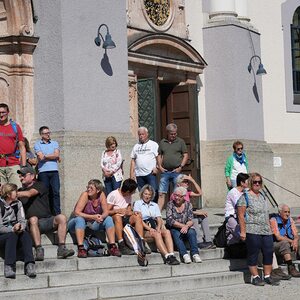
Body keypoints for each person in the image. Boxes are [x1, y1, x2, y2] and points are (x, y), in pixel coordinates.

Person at [17, 165, 74, 261]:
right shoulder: (20, 191)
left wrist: (13, 193)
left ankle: (62, 248)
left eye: (23, 175)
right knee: (33, 218)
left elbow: (30, 193)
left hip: (46, 220)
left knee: (62, 217)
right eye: (20, 176)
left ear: (32, 176)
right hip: (31, 224)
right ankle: (38, 249)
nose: (21, 177)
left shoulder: (40, 185)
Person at [237, 173, 279, 286]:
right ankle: (255, 277)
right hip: (252, 229)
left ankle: (267, 276)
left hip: (266, 230)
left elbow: (266, 214)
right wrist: (243, 231)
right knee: (253, 253)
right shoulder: (244, 196)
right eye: (255, 182)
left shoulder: (263, 195)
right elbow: (241, 215)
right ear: (250, 182)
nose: (257, 184)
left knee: (268, 252)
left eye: (259, 182)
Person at [68, 179, 121, 258]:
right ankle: (81, 248)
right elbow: (77, 212)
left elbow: (106, 211)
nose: (88, 189)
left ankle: (112, 246)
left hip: (92, 224)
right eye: (88, 187)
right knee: (80, 219)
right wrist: (93, 217)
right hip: (76, 224)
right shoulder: (85, 195)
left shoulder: (101, 195)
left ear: (98, 190)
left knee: (108, 219)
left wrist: (101, 217)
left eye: (91, 188)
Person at [133, 184, 180, 265]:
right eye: (145, 194)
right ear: (142, 194)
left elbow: (159, 218)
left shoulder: (154, 205)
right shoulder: (138, 203)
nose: (147, 196)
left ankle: (172, 255)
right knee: (157, 234)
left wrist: (158, 228)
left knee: (167, 232)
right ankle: (167, 256)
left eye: (149, 194)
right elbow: (139, 220)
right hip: (144, 228)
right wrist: (149, 228)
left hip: (154, 226)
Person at [0, 183, 36, 278]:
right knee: (11, 235)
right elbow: (0, 227)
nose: (17, 193)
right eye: (15, 191)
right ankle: (9, 266)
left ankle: (30, 264)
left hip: (15, 232)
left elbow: (22, 220)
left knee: (25, 234)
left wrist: (20, 227)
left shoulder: (18, 203)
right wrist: (12, 229)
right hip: (2, 236)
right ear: (8, 194)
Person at [107, 178, 150, 255]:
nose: (133, 193)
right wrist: (117, 211)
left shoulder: (128, 196)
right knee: (117, 216)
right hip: (115, 217)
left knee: (138, 216)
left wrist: (133, 212)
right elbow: (106, 211)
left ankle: (141, 242)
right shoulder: (114, 195)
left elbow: (129, 209)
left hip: (125, 217)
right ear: (128, 191)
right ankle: (121, 244)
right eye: (133, 191)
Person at [171, 174, 214, 249]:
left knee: (204, 217)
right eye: (184, 182)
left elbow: (200, 193)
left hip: (188, 214)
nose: (187, 183)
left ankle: (208, 240)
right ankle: (199, 241)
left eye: (188, 182)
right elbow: (182, 211)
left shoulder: (187, 192)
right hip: (180, 217)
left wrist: (193, 181)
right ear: (178, 184)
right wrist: (197, 213)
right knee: (194, 219)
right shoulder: (175, 195)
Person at [166, 186, 201, 264]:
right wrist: (183, 226)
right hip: (174, 227)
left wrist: (187, 226)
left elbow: (190, 219)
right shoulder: (170, 204)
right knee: (176, 233)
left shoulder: (188, 204)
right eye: (176, 195)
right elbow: (170, 220)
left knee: (192, 232)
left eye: (179, 196)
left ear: (184, 197)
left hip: (186, 227)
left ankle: (195, 254)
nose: (177, 198)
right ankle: (184, 255)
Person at [157, 123, 188, 211]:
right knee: (161, 193)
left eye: (175, 133)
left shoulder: (180, 142)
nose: (174, 135)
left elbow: (185, 155)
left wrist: (181, 166)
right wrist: (160, 166)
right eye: (172, 134)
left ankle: (176, 212)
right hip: (165, 172)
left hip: (176, 171)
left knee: (177, 194)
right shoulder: (162, 142)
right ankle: (158, 215)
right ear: (167, 133)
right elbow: (159, 155)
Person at [34, 126, 61, 215]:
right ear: (41, 135)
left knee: (56, 192)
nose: (48, 134)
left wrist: (46, 156)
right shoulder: (37, 144)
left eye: (49, 132)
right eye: (46, 133)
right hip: (43, 172)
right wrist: (52, 156)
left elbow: (56, 155)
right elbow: (41, 157)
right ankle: (46, 213)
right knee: (45, 193)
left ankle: (57, 213)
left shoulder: (55, 143)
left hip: (54, 171)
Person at [0, 103, 26, 188]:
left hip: (13, 164)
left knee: (17, 190)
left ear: (8, 112)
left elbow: (22, 147)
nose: (1, 115)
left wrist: (24, 166)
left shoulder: (15, 127)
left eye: (3, 112)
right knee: (2, 193)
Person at [270, 204, 300, 277]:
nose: (287, 214)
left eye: (288, 212)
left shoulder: (290, 219)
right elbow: (278, 237)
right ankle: (290, 267)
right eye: (285, 212)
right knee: (285, 243)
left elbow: (295, 234)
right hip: (275, 244)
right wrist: (292, 241)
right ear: (280, 213)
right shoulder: (274, 220)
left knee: (296, 240)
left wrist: (295, 240)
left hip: (289, 242)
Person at [130, 127, 158, 194]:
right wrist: (131, 174)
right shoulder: (136, 146)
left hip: (150, 173)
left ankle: (153, 204)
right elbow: (133, 160)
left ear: (147, 134)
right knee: (142, 194)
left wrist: (157, 167)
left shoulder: (153, 144)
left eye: (143, 134)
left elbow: (159, 158)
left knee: (153, 193)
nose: (141, 136)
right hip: (139, 174)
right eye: (139, 134)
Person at [225, 173, 249, 246]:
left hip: (241, 216)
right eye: (248, 181)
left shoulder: (245, 192)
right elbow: (238, 206)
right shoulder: (233, 192)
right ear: (242, 183)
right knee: (241, 234)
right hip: (232, 217)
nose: (249, 183)